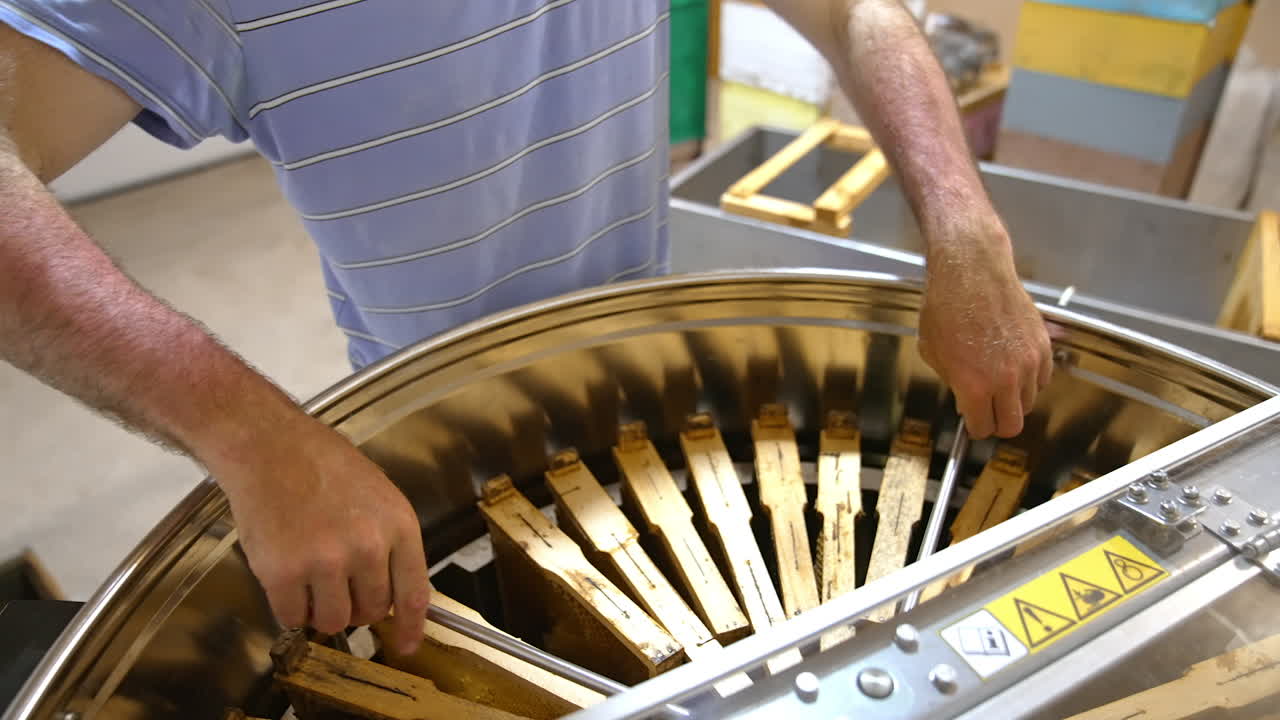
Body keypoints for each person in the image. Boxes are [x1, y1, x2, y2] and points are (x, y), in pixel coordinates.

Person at [0, 0, 1051, 655]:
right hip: (436, 431)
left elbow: (855, 13)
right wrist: (253, 438)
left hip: (644, 383)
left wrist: (966, 231)